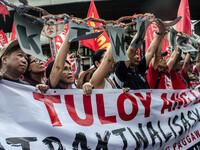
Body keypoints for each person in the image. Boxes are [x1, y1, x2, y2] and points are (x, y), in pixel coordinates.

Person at [115, 13, 163, 89]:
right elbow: (131, 49)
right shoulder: (121, 70)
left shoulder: (139, 69)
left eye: (137, 54)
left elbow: (150, 51)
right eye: (134, 55)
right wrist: (145, 25)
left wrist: (160, 32)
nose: (137, 57)